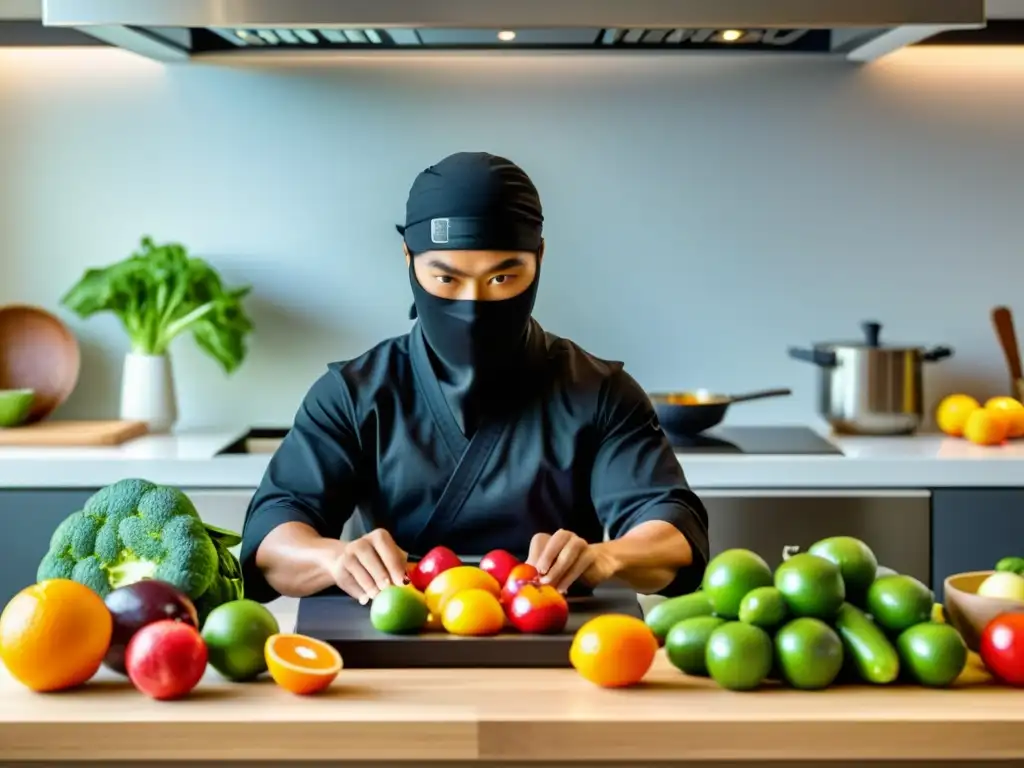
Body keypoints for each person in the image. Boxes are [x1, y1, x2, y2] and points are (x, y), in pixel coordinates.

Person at [240, 151, 709, 606]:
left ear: (539, 258)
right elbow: (271, 541)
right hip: (391, 648)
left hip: (558, 650)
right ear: (409, 259)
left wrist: (606, 557)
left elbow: (675, 535)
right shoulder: (353, 394)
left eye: (503, 279)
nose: (473, 304)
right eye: (446, 280)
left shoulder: (600, 393)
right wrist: (335, 557)